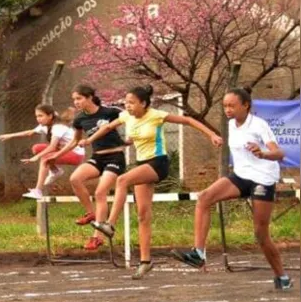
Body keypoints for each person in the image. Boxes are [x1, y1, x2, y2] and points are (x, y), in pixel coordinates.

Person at [79, 85, 224, 279]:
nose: (127, 106)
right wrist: (89, 141)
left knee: (122, 180)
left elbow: (188, 120)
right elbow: (107, 127)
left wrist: (211, 134)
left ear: (144, 104)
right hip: (142, 164)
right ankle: (146, 261)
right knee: (143, 215)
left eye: (131, 103)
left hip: (158, 163)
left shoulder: (156, 115)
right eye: (125, 103)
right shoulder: (126, 117)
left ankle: (110, 224)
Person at [172, 86, 293, 291]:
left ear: (245, 105)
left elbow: (279, 153)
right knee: (204, 198)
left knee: (261, 234)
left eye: (232, 105)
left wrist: (262, 153)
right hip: (241, 176)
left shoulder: (259, 125)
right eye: (225, 106)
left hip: (263, 179)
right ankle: (198, 253)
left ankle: (281, 276)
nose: (228, 109)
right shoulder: (230, 124)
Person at [44, 85, 127, 251]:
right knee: (75, 178)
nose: (76, 102)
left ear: (89, 97)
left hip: (115, 157)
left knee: (100, 192)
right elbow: (74, 141)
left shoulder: (110, 112)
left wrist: (132, 137)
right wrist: (57, 155)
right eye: (74, 99)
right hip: (98, 157)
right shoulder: (80, 119)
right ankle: (92, 213)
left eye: (79, 98)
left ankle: (97, 238)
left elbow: (132, 117)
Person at [0, 104, 83, 200]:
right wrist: (9, 135)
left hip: (76, 154)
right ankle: (56, 171)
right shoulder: (45, 126)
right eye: (37, 116)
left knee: (45, 158)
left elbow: (52, 147)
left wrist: (36, 157)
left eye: (41, 116)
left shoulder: (58, 127)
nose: (38, 119)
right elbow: (29, 132)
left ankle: (38, 191)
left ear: (50, 116)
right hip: (62, 150)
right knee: (37, 148)